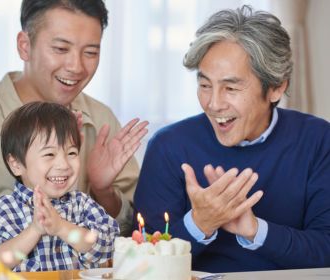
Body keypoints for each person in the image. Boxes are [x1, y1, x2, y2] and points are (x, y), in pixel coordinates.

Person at [134, 5, 330, 272]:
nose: (213, 104)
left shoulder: (318, 140)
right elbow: (144, 263)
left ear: (276, 87)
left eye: (231, 87)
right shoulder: (169, 146)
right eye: (204, 85)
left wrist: (255, 230)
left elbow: (325, 248)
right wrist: (200, 223)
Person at [0, 0, 148, 238]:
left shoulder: (101, 119)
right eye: (61, 49)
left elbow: (138, 231)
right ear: (24, 45)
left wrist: (103, 191)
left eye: (91, 53)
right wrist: (39, 199)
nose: (76, 66)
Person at [0, 102, 119, 271]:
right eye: (49, 154)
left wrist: (61, 227)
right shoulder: (3, 210)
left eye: (71, 153)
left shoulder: (82, 204)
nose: (63, 165)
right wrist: (35, 230)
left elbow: (108, 245)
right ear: (16, 164)